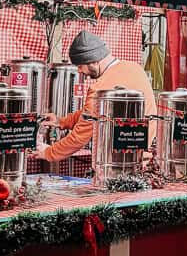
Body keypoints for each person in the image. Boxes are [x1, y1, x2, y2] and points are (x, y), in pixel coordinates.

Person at [35, 30, 157, 164]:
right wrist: (62, 121)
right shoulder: (135, 68)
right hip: (144, 158)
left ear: (93, 61)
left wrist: (49, 152)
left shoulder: (100, 88)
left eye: (80, 66)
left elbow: (79, 137)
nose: (80, 71)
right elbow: (96, 113)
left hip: (117, 163)